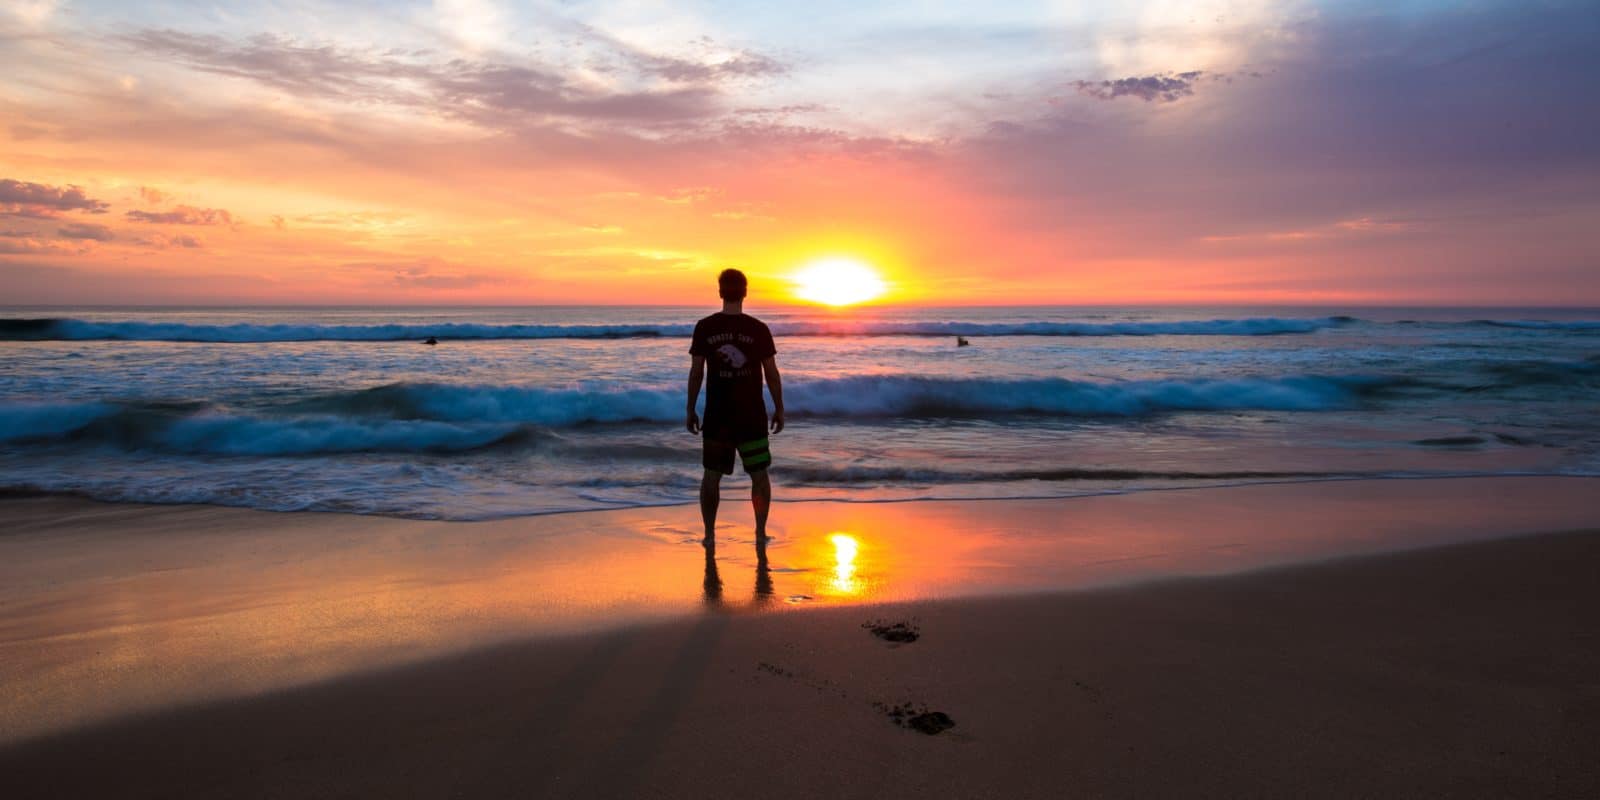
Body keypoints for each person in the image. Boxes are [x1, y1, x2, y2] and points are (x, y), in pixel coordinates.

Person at [686, 268, 784, 548]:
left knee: (711, 477)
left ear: (720, 293)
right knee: (759, 475)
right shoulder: (758, 329)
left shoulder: (705, 327)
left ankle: (709, 535)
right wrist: (779, 408)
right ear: (744, 293)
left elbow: (696, 374)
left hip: (717, 415)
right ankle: (760, 532)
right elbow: (772, 374)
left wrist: (690, 409)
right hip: (751, 415)